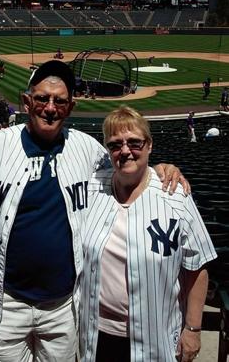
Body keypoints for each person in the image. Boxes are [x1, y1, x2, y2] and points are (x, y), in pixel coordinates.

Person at [0, 61, 189, 362]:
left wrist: (159, 169)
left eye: (59, 101)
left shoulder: (87, 150)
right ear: (27, 102)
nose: (50, 108)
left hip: (64, 309)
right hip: (3, 305)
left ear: (70, 106)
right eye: (42, 98)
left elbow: (127, 165)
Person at [80, 106, 217, 362]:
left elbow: (197, 267)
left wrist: (193, 328)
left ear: (150, 146)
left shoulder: (175, 195)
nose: (125, 151)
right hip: (96, 334)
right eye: (114, 145)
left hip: (157, 337)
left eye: (134, 142)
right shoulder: (90, 190)